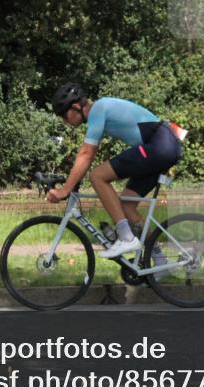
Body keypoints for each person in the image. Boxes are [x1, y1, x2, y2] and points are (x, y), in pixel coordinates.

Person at [46, 83, 183, 262]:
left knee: (97, 176)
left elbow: (87, 154)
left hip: (159, 145)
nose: (65, 121)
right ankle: (159, 260)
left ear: (75, 107)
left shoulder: (98, 109)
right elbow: (87, 153)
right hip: (164, 145)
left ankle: (126, 237)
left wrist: (65, 190)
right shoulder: (101, 110)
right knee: (126, 205)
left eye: (64, 115)